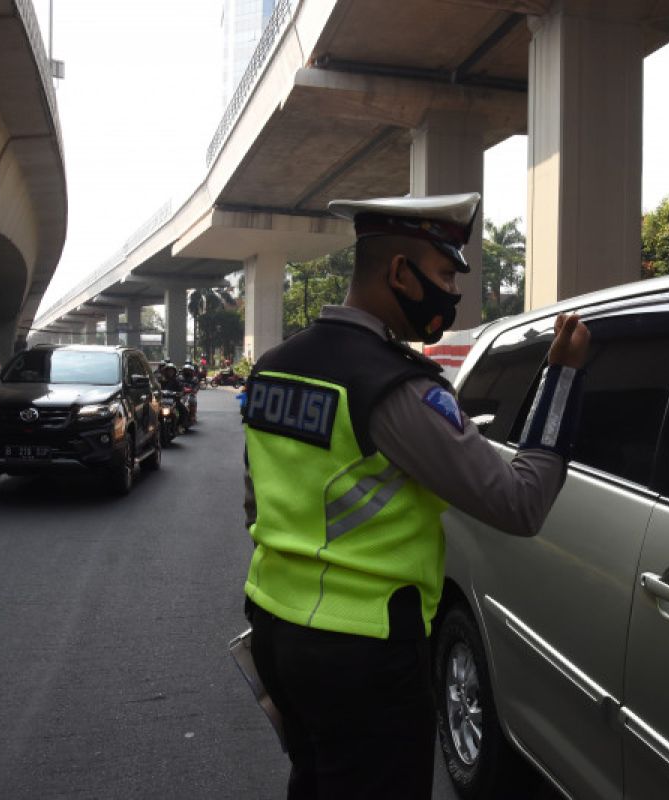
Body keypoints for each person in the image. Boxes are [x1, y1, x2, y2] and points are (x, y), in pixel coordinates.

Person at [240, 191, 591, 800]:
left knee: (314, 781)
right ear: (399, 272)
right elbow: (520, 502)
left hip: (274, 629)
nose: (452, 292)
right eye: (444, 273)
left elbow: (257, 502)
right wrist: (561, 378)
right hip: (364, 653)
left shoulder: (274, 366)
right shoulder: (394, 387)